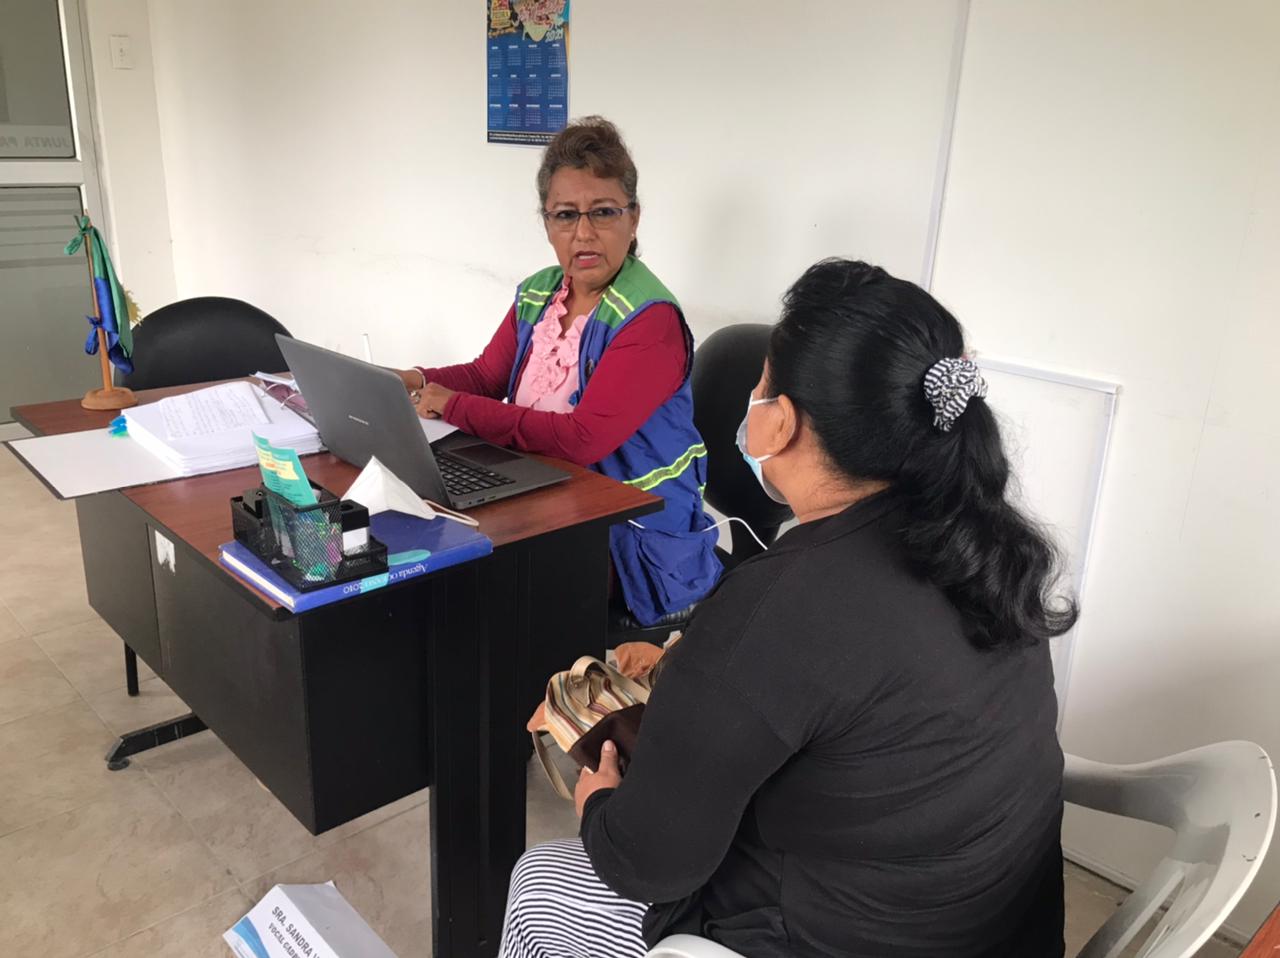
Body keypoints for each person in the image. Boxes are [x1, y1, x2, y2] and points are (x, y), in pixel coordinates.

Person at [500, 259, 1078, 958]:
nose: (750, 401)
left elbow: (645, 862)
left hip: (825, 937)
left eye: (761, 385)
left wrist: (597, 798)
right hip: (990, 928)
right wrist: (691, 670)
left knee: (539, 881)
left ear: (783, 423)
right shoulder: (989, 549)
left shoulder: (778, 607)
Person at [397, 117, 720, 626]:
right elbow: (486, 376)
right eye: (566, 215)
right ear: (547, 223)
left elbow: (580, 440)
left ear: (634, 218)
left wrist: (452, 405)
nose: (583, 233)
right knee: (418, 543)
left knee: (476, 587)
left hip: (635, 534)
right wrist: (412, 380)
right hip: (551, 495)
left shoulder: (650, 321)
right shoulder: (540, 291)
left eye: (604, 212)